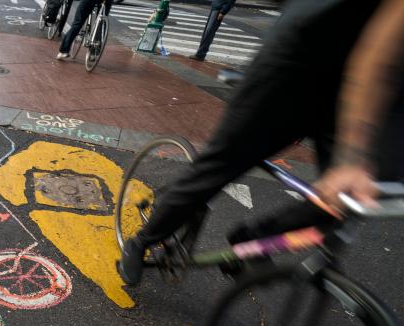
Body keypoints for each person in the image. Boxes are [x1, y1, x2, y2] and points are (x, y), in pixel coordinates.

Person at [118, 0, 404, 286]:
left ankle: (254, 239)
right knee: (221, 164)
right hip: (300, 61)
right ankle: (142, 240)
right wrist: (353, 156)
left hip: (365, 87)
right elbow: (379, 56)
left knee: (355, 197)